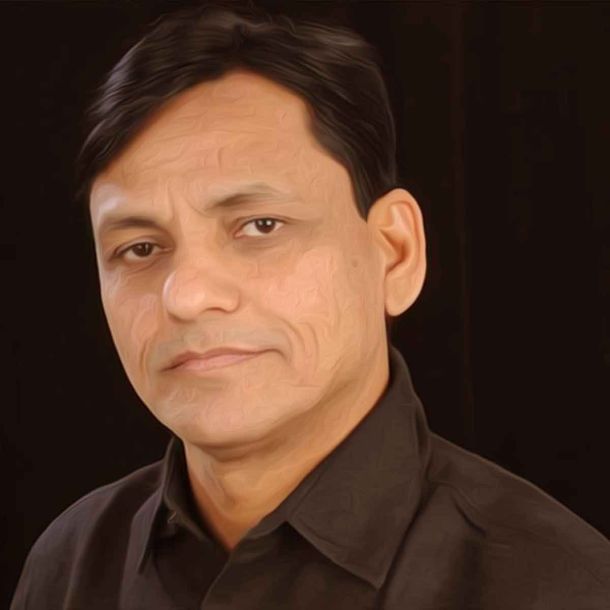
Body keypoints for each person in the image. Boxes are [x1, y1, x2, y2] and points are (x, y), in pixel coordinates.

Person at [11, 3, 609, 609]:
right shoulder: (68, 568)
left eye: (260, 225)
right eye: (139, 248)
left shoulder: (557, 589)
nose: (186, 296)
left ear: (395, 254)